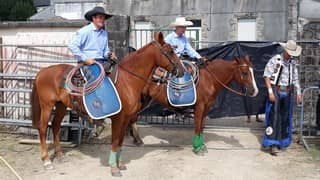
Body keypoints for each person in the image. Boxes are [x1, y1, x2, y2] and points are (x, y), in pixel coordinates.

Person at [262, 40, 302, 155]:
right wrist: (270, 92)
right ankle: (272, 143)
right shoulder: (275, 60)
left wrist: (298, 92)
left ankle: (281, 141)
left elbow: (295, 78)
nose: (290, 55)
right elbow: (266, 76)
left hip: (287, 91)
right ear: (285, 50)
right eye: (289, 52)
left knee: (284, 117)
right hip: (276, 90)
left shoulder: (292, 63)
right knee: (274, 117)